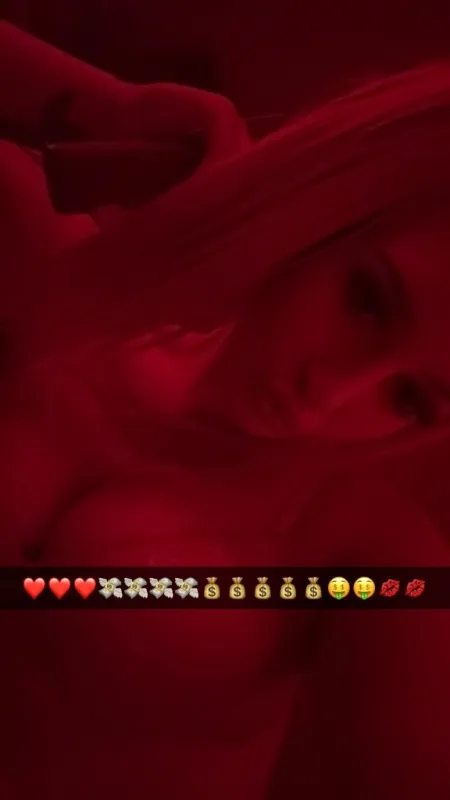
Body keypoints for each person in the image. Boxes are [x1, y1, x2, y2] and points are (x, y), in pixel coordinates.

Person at [0, 21, 449, 799]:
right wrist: (108, 106)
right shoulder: (61, 271)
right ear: (328, 204)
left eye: (411, 399)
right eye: (368, 303)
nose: (332, 391)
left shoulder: (365, 558)